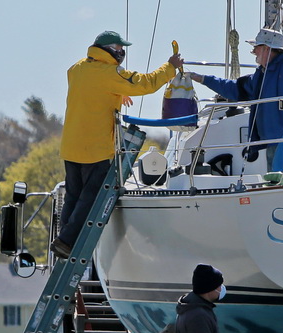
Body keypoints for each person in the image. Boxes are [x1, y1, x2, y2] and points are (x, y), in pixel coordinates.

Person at [51, 31, 184, 259]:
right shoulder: (110, 73)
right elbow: (145, 83)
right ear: (109, 49)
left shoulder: (77, 69)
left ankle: (64, 239)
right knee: (90, 197)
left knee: (73, 195)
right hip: (96, 148)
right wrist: (170, 67)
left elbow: (92, 92)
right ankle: (66, 242)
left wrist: (116, 93)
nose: (122, 52)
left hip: (72, 146)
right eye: (119, 48)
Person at [189, 28, 283, 170]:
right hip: (273, 142)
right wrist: (203, 79)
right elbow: (234, 89)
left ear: (267, 48)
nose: (253, 51)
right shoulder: (260, 75)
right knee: (280, 182)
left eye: (256, 47)